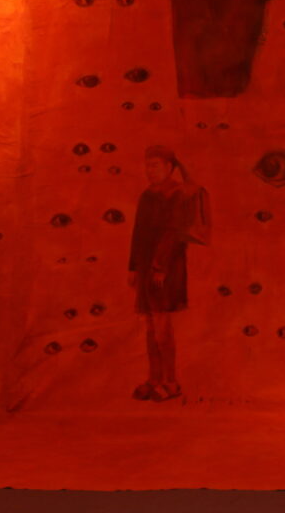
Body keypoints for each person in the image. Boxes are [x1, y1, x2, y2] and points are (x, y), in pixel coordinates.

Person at [128, 144, 210, 402]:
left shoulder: (179, 195)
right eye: (147, 166)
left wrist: (160, 267)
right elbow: (138, 233)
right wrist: (133, 267)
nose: (149, 171)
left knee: (162, 327)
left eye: (155, 166)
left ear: (169, 167)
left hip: (166, 269)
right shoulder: (146, 196)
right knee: (151, 327)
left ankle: (171, 382)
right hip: (146, 267)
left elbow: (174, 234)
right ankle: (154, 379)